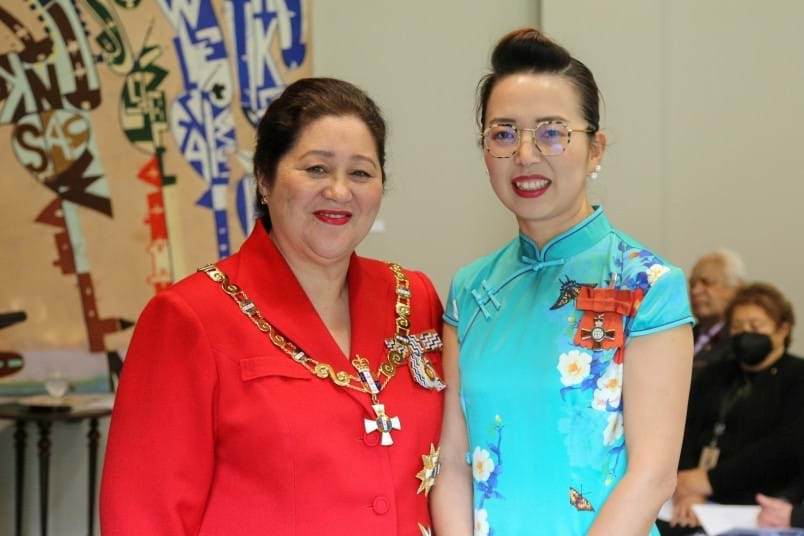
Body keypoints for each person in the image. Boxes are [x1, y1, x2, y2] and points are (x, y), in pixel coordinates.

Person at [100, 78, 446, 535]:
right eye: (317, 169)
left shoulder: (414, 297)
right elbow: (143, 516)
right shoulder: (190, 317)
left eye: (361, 173)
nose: (340, 192)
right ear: (264, 177)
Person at [431, 28, 694, 536]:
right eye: (504, 133)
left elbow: (653, 476)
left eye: (552, 132)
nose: (526, 154)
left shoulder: (648, 284)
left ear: (595, 149)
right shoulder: (470, 291)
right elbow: (454, 464)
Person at [666, 282, 804, 534]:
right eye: (738, 327)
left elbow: (785, 447)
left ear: (782, 329)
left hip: (757, 505)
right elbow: (683, 427)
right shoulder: (714, 374)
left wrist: (710, 482)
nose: (745, 333)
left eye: (755, 326)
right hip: (690, 498)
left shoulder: (797, 377)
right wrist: (686, 484)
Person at [688, 249, 746, 374]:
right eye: (692, 285)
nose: (695, 291)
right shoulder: (685, 335)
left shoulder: (741, 340)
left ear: (735, 288)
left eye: (706, 283)